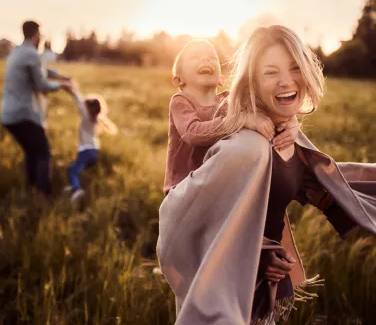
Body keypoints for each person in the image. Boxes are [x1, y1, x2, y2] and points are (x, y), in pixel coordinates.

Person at [157, 25, 376, 325]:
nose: (286, 80)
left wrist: (266, 253)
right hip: (226, 290)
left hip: (259, 287)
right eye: (270, 72)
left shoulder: (281, 131)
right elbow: (213, 224)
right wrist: (259, 253)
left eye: (296, 67)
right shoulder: (246, 145)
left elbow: (324, 177)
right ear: (251, 82)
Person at [164, 39, 299, 196]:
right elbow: (192, 133)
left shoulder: (230, 101)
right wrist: (241, 120)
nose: (206, 59)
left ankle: (308, 184)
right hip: (184, 189)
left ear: (221, 79)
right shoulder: (181, 101)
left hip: (217, 187)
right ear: (179, 80)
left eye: (212, 57)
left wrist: (291, 122)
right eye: (195, 57)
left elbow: (267, 111)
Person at [0, 20, 72, 199]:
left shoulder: (18, 52)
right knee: (42, 152)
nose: (41, 37)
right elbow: (41, 84)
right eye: (40, 34)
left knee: (32, 150)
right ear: (35, 34)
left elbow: (41, 69)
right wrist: (63, 86)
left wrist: (61, 75)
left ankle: (31, 188)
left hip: (8, 115)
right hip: (22, 114)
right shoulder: (31, 54)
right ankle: (43, 195)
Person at [63, 82, 118, 208]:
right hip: (94, 151)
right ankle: (73, 187)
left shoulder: (86, 117)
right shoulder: (95, 119)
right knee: (76, 169)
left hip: (86, 151)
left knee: (72, 170)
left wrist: (73, 90)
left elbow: (79, 103)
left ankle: (77, 190)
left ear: (88, 109)